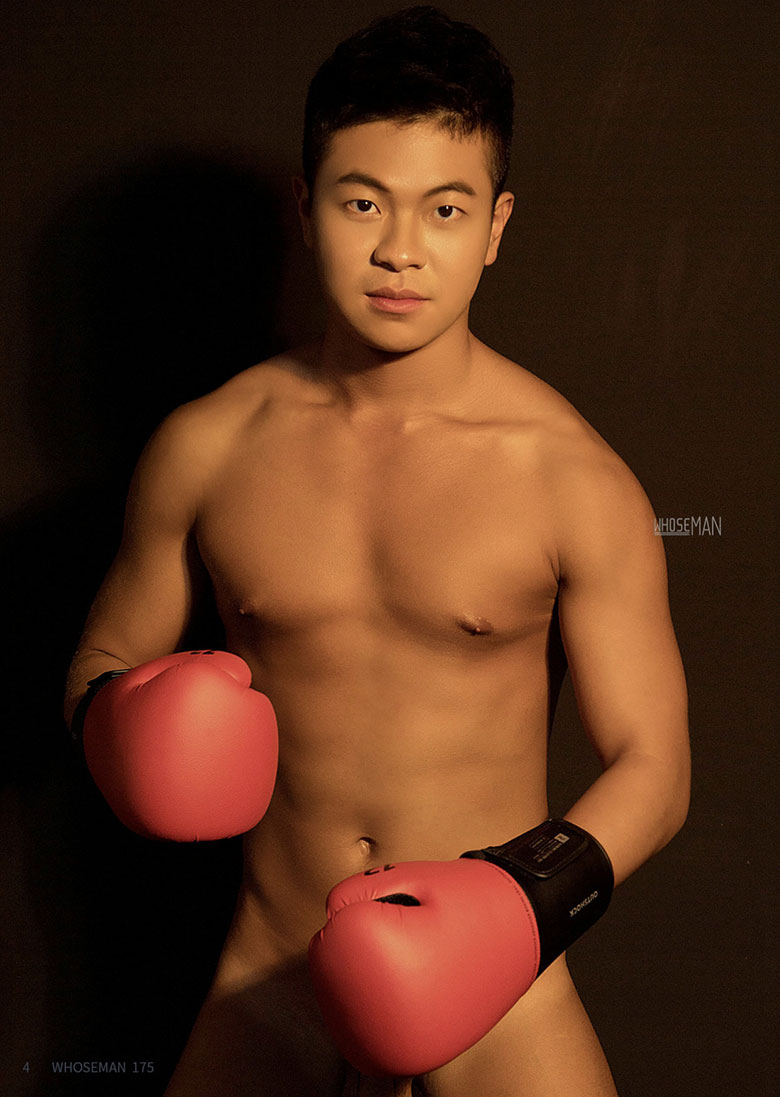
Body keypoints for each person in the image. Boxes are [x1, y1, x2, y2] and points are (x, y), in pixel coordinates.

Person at [64, 7, 690, 1095]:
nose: (401, 249)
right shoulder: (207, 448)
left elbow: (657, 764)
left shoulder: (572, 478)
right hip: (272, 978)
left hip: (495, 991)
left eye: (445, 209)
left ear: (495, 226)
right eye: (364, 202)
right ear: (306, 208)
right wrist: (119, 724)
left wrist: (519, 901)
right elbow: (102, 653)